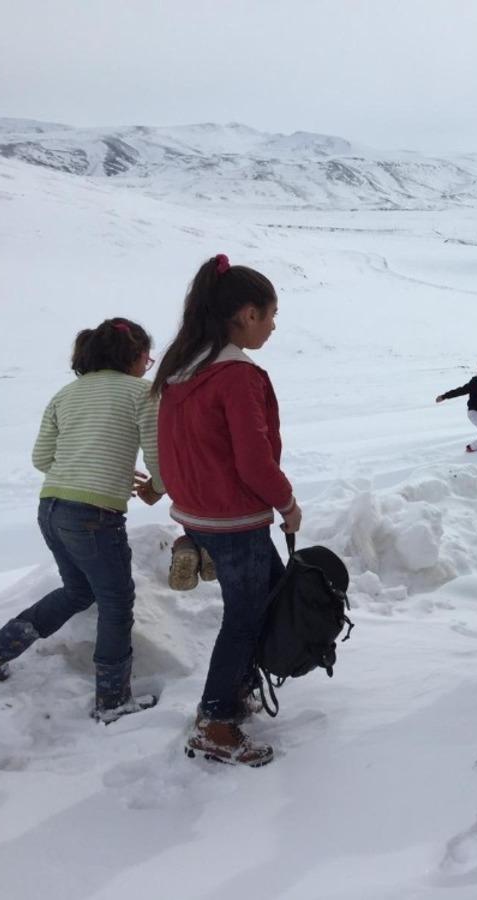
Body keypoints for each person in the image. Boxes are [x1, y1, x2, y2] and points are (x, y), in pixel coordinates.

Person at [154, 253, 299, 767]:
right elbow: (254, 459)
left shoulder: (182, 370)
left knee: (264, 599)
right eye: (270, 313)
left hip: (199, 513)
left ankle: (236, 690)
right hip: (236, 517)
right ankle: (215, 720)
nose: (274, 325)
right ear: (244, 313)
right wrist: (286, 502)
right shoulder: (236, 374)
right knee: (245, 616)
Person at [0, 318, 164, 723]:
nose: (148, 366)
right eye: (147, 358)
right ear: (135, 357)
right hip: (94, 515)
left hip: (51, 507)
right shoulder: (142, 393)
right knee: (116, 603)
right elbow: (160, 458)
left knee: (77, 591)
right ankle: (112, 700)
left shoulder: (65, 394)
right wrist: (156, 486)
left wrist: (83, 464)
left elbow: (41, 460)